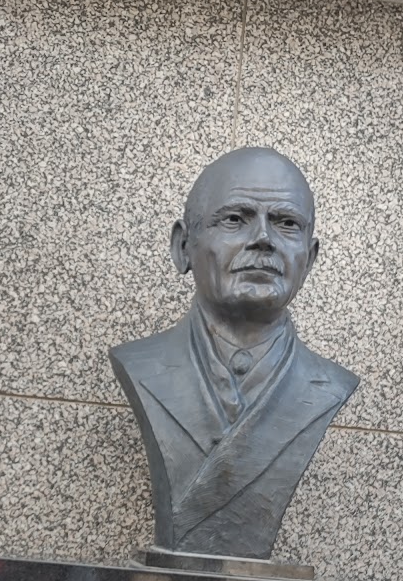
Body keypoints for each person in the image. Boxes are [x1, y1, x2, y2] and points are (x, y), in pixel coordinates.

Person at [110, 148, 359, 560]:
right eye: (234, 219)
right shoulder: (141, 366)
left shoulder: (328, 386)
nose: (263, 238)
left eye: (286, 223)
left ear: (310, 259)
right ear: (183, 247)